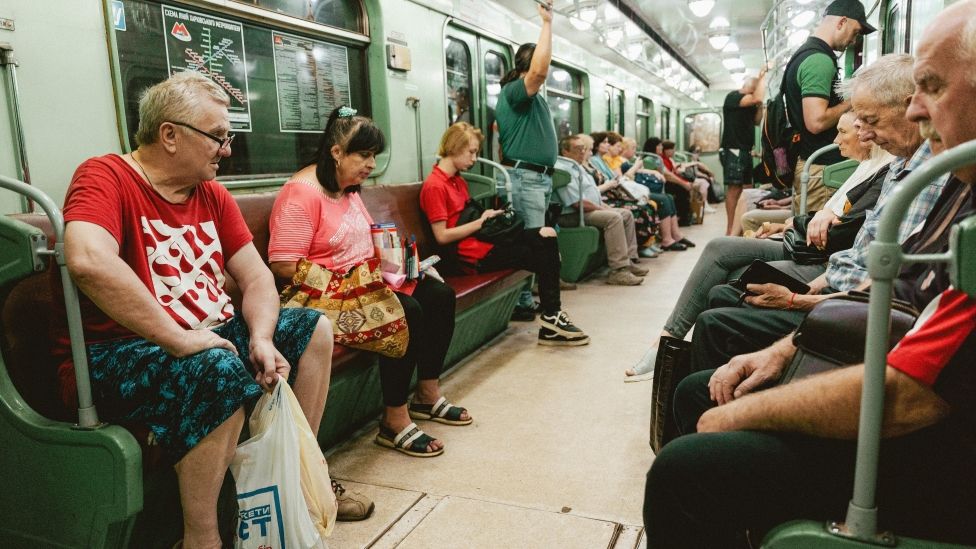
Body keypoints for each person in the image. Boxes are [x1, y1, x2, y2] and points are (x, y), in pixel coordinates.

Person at [644, 5, 976, 544]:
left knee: (690, 466)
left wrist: (748, 412)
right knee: (702, 382)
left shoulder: (952, 186)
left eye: (932, 87)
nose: (916, 111)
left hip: (940, 452)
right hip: (884, 343)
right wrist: (786, 347)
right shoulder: (958, 183)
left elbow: (912, 393)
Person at [60, 71, 342, 547]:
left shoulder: (209, 194)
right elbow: (88, 260)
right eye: (217, 137)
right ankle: (202, 536)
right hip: (121, 349)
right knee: (214, 364)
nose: (226, 149)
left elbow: (256, 277)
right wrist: (178, 337)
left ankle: (298, 483)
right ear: (169, 135)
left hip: (203, 336)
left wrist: (260, 337)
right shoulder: (105, 176)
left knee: (313, 328)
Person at [687, 54, 950, 373]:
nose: (863, 135)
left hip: (851, 304)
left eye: (870, 120)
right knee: (723, 294)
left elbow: (887, 289)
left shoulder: (926, 179)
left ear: (911, 108)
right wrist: (815, 285)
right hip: (834, 281)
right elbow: (861, 249)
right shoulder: (897, 168)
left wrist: (794, 300)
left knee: (716, 318)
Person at [624, 109, 887, 381]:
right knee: (724, 261)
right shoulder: (865, 170)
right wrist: (801, 222)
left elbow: (835, 231)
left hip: (813, 253)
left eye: (843, 132)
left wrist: (801, 224)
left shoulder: (879, 172)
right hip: (807, 244)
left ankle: (669, 343)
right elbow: (829, 217)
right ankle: (680, 350)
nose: (837, 139)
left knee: (721, 254)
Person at [268, 106, 469, 460]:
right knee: (405, 309)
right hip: (322, 293)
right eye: (363, 155)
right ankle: (394, 420)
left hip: (362, 281)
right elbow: (283, 264)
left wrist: (404, 267)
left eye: (374, 156)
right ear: (336, 152)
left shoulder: (348, 189)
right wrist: (349, 284)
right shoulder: (300, 194)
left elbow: (366, 239)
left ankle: (427, 393)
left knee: (438, 295)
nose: (371, 164)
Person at [420, 122, 588, 346]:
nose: (474, 158)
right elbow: (442, 236)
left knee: (547, 234)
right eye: (471, 152)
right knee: (543, 254)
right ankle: (552, 318)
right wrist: (481, 222)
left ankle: (551, 316)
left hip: (482, 242)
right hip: (471, 256)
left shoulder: (457, 181)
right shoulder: (435, 186)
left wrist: (486, 218)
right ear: (453, 147)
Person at [783, 0, 875, 212]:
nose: (854, 40)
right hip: (822, 168)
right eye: (855, 32)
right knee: (813, 241)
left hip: (813, 163)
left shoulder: (806, 53)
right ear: (842, 22)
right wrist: (855, 99)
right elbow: (816, 121)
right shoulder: (819, 60)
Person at [495, 0, 555, 320]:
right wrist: (547, 23)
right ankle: (521, 301)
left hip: (538, 177)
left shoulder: (529, 98)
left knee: (536, 240)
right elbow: (540, 69)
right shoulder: (515, 92)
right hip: (526, 177)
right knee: (532, 241)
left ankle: (525, 297)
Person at [555, 134, 648, 286]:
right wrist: (601, 208)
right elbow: (577, 203)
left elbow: (591, 195)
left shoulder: (578, 167)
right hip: (572, 214)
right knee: (613, 218)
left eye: (583, 148)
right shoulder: (563, 169)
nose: (582, 152)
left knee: (626, 214)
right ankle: (618, 270)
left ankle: (628, 260)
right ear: (565, 152)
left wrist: (603, 206)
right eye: (578, 149)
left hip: (588, 209)